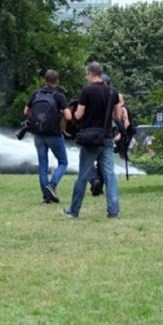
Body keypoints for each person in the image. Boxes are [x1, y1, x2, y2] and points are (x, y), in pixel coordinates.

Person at [64, 62, 122, 218]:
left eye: (86, 74)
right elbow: (118, 116)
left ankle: (74, 210)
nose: (86, 77)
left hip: (90, 138)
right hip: (107, 137)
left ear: (91, 73)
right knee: (110, 175)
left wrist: (74, 114)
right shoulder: (113, 92)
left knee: (83, 175)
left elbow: (79, 115)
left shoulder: (87, 91)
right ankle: (113, 211)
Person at [24, 70, 72, 203]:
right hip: (54, 134)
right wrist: (60, 114)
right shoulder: (59, 96)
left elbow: (26, 111)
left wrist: (36, 119)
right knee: (63, 162)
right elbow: (69, 116)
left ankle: (46, 197)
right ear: (57, 81)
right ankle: (52, 185)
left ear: (45, 80)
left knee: (43, 164)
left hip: (38, 134)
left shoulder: (36, 94)